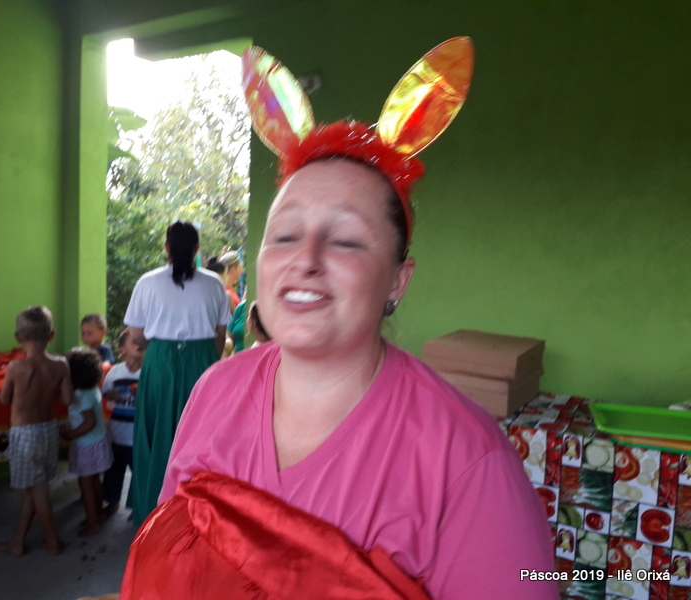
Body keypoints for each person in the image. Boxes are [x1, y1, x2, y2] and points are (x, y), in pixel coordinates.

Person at [119, 40, 558, 599]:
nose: (305, 260)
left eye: (346, 240)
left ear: (397, 280)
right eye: (284, 235)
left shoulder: (467, 462)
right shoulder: (213, 392)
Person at [123, 221, 231, 525]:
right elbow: (220, 335)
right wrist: (205, 359)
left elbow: (136, 336)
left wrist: (162, 347)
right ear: (197, 249)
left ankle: (152, 511)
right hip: (202, 361)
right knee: (202, 436)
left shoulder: (147, 282)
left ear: (166, 248)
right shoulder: (214, 284)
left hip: (160, 361)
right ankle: (198, 514)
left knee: (155, 433)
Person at [0, 305, 73, 557]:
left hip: (25, 435)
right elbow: (68, 399)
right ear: (52, 335)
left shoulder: (16, 368)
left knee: (38, 491)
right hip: (48, 431)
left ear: (18, 338)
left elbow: (4, 399)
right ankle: (18, 542)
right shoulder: (61, 364)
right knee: (33, 488)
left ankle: (53, 541)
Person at [61, 350, 113, 537]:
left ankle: (93, 523)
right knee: (94, 481)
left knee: (86, 486)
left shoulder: (80, 396)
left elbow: (89, 422)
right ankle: (98, 514)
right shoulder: (93, 389)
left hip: (86, 445)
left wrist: (70, 435)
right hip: (98, 441)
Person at [101, 328, 144, 517]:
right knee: (113, 472)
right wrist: (110, 395)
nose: (140, 344)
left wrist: (142, 394)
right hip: (116, 433)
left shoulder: (149, 372)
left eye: (143, 341)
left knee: (140, 473)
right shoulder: (115, 372)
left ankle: (138, 506)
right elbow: (105, 394)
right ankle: (112, 502)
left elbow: (156, 400)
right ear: (121, 350)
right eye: (134, 341)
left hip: (138, 435)